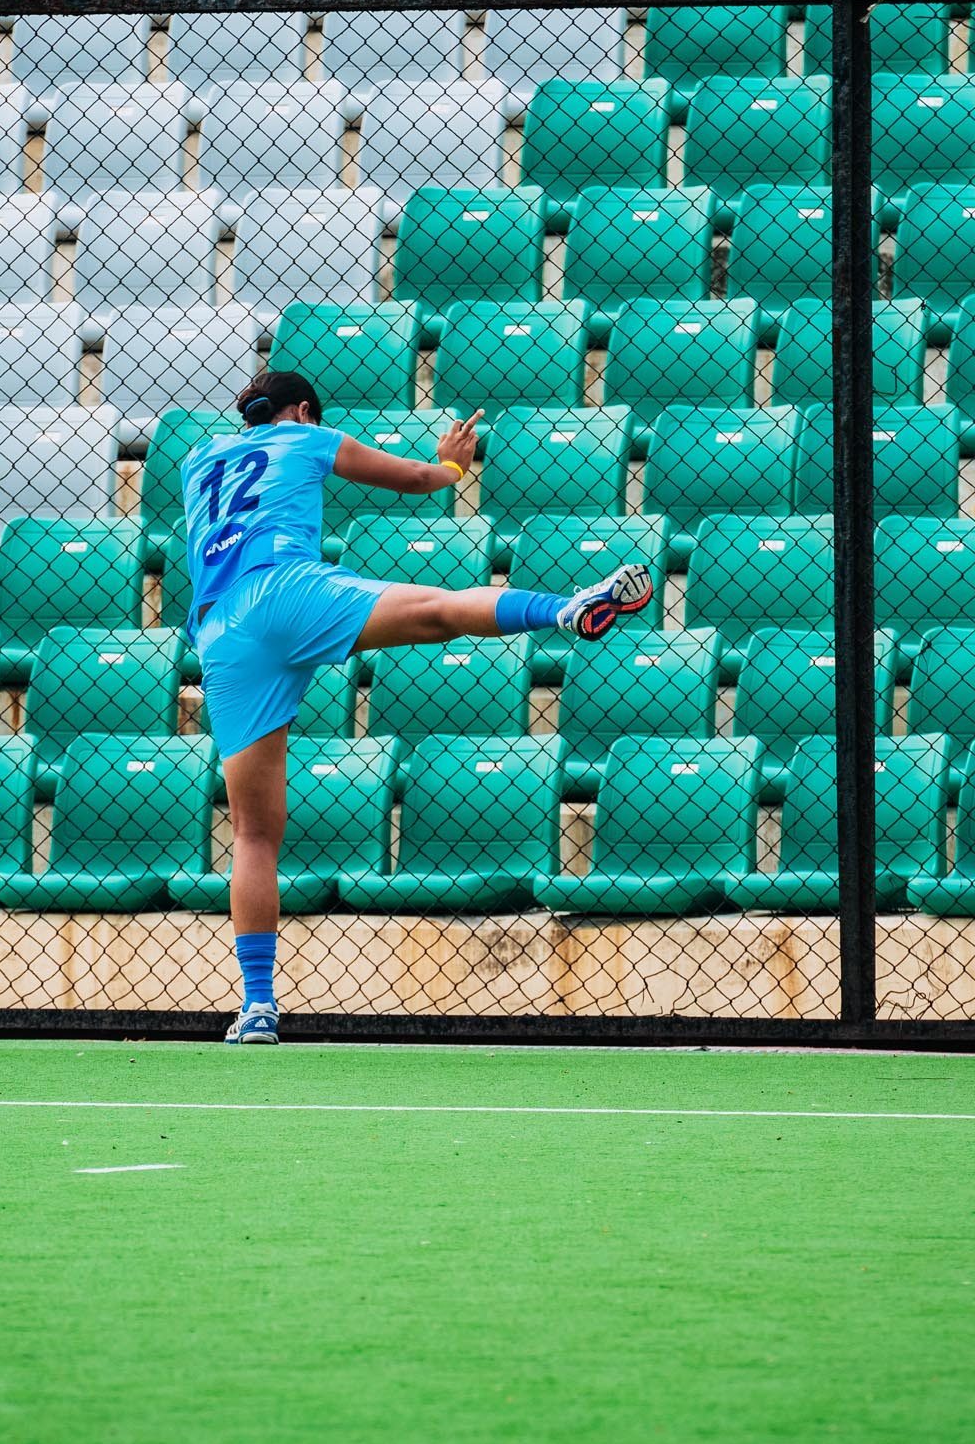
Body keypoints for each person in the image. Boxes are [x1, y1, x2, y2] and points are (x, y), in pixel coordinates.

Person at [184, 368, 652, 1045]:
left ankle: (257, 1007)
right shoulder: (310, 439)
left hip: (223, 637)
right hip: (286, 589)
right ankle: (565, 608)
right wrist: (451, 465)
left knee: (255, 836)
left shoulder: (198, 461)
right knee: (437, 611)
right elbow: (413, 480)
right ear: (305, 409)